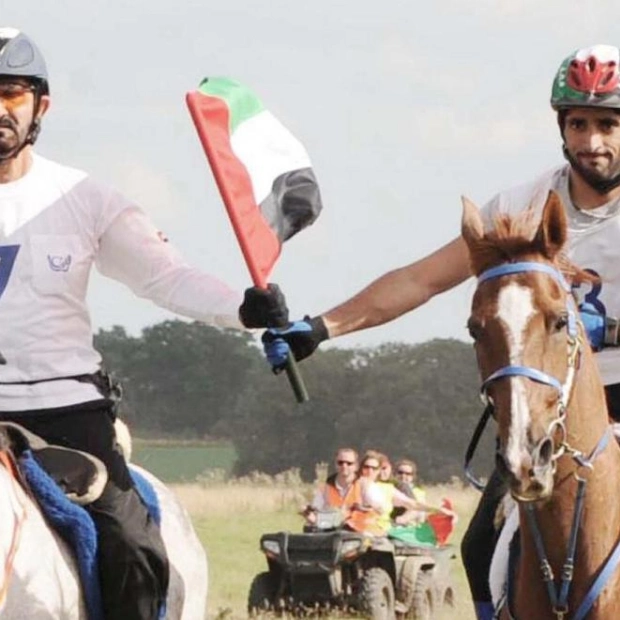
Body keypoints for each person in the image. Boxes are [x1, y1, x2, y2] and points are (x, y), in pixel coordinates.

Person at [240, 44, 620, 620]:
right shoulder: (518, 206)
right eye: (580, 123)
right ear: (562, 126)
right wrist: (320, 328)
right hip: (542, 412)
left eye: (608, 124)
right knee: (479, 544)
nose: (592, 141)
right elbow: (420, 280)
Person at [0, 27, 255, 620]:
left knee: (133, 546)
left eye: (10, 93)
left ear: (42, 105)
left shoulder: (85, 197)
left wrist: (242, 308)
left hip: (63, 416)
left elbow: (165, 276)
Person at [301, 447, 360, 525]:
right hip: (333, 531)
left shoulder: (365, 486)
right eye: (340, 462)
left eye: (349, 463)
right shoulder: (325, 489)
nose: (344, 466)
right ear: (336, 465)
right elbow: (316, 514)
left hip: (360, 532)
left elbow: (375, 511)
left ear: (356, 466)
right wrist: (308, 514)